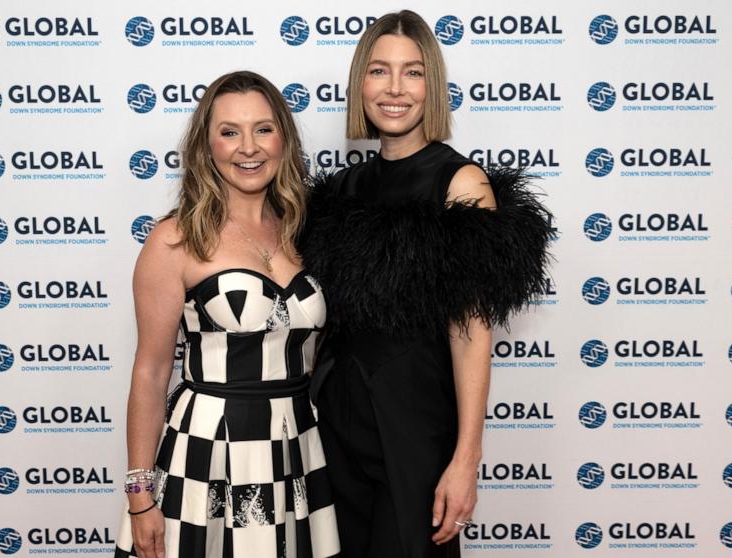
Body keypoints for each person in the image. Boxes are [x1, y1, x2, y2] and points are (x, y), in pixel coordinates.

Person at [299, 11, 551, 558]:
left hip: (413, 423)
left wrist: (465, 460)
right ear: (358, 84)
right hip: (337, 420)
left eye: (412, 73)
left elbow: (471, 335)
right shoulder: (342, 189)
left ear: (432, 86)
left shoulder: (459, 181)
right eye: (378, 71)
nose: (394, 89)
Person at [115, 71, 339, 558]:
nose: (248, 148)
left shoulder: (310, 234)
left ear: (284, 137)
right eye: (229, 132)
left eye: (263, 128)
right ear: (206, 146)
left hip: (295, 444)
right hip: (208, 449)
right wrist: (139, 496)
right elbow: (151, 373)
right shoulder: (174, 241)